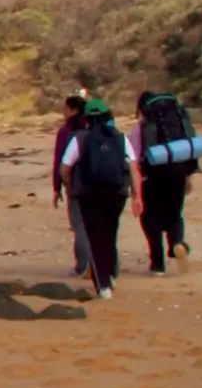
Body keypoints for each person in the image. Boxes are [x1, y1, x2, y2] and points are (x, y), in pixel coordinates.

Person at [58, 97, 142, 299]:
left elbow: (65, 167)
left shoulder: (80, 138)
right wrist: (136, 196)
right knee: (110, 234)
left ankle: (103, 285)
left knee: (95, 237)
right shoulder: (120, 138)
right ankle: (111, 274)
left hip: (89, 194)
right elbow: (133, 167)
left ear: (86, 117)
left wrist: (71, 186)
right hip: (116, 193)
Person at [133, 91, 201, 274]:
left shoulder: (141, 127)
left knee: (151, 219)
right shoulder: (177, 122)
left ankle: (157, 264)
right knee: (174, 214)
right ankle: (177, 243)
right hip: (179, 172)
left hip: (152, 178)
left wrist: (134, 189)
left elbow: (133, 157)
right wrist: (188, 177)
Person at [51, 95, 92, 278]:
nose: (63, 111)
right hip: (102, 182)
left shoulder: (67, 131)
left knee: (79, 225)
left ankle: (83, 265)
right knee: (99, 224)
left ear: (73, 110)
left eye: (66, 108)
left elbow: (60, 161)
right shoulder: (94, 127)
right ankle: (104, 264)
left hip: (76, 183)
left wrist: (58, 186)